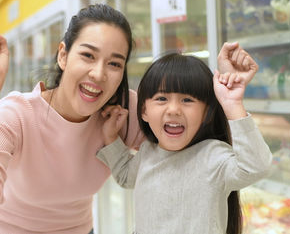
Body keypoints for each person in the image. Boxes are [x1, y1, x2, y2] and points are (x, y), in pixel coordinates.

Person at [0, 3, 252, 234]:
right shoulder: (17, 114)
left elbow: (197, 149)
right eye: (87, 56)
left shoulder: (124, 111)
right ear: (63, 55)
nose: (98, 74)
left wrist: (226, 91)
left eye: (114, 63)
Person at [97, 53, 273, 234]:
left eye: (187, 100)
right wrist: (111, 137)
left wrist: (233, 104)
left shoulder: (212, 155)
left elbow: (256, 166)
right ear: (144, 111)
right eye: (161, 99)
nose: (173, 110)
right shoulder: (148, 151)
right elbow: (126, 176)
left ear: (206, 114)